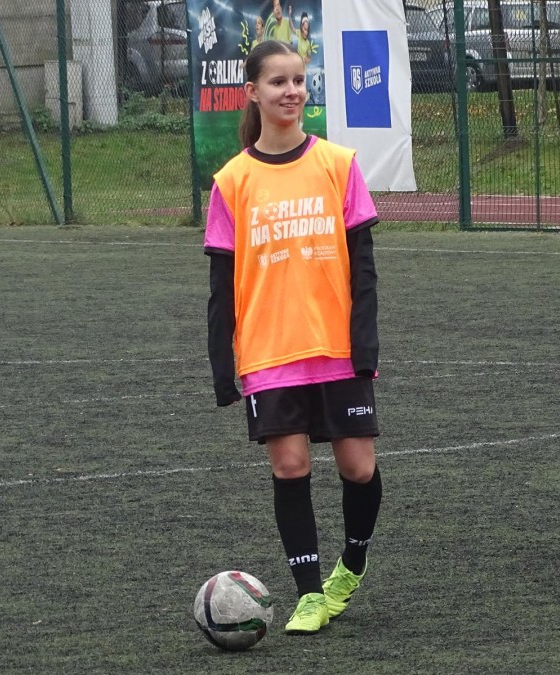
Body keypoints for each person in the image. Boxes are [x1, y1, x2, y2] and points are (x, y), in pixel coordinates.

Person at [204, 40, 383, 634]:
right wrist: (221, 361)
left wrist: (365, 343)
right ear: (252, 92)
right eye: (278, 82)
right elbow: (221, 285)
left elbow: (364, 268)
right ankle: (309, 595)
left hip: (336, 346)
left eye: (299, 81)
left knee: (359, 468)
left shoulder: (338, 164)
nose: (292, 92)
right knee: (289, 466)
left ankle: (350, 566)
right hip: (269, 349)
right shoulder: (232, 181)